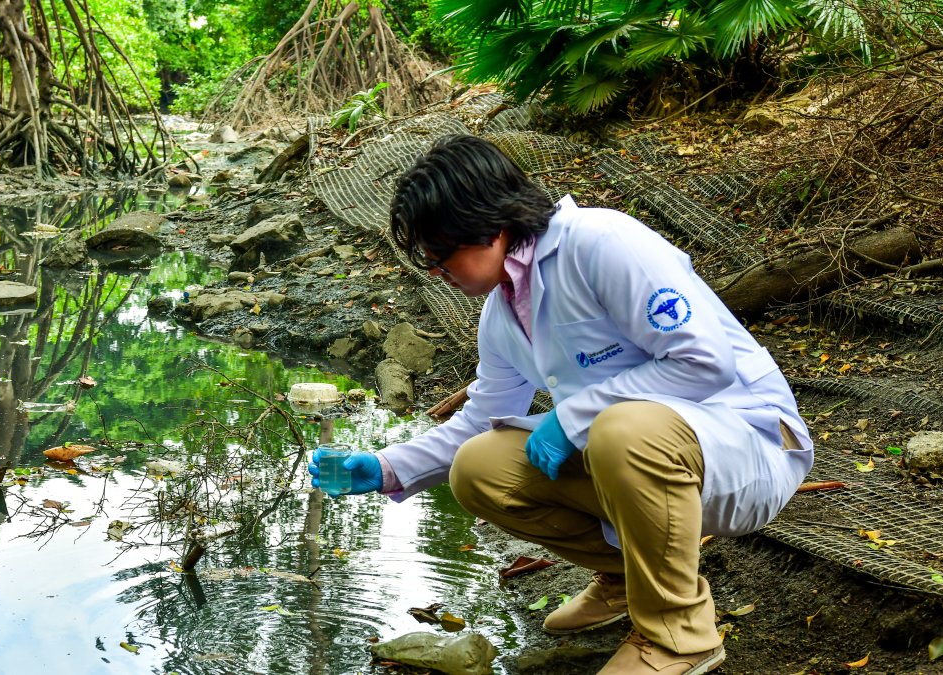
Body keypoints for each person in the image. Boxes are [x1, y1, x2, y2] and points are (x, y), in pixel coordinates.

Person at [308, 134, 814, 674]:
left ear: (489, 226)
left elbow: (705, 361)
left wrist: (573, 416)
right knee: (479, 467)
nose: (435, 271)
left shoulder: (602, 242)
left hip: (749, 441)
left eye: (440, 255)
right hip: (646, 458)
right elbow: (480, 418)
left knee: (621, 429)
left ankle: (679, 635)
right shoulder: (502, 311)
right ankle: (628, 578)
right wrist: (386, 466)